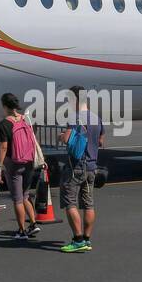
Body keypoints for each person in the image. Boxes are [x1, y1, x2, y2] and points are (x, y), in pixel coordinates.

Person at [59, 85, 104, 253]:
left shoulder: (75, 117)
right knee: (88, 204)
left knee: (70, 202)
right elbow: (100, 141)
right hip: (92, 165)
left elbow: (67, 139)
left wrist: (62, 136)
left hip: (76, 166)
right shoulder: (96, 118)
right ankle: (87, 239)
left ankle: (77, 240)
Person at [0, 93, 42, 241]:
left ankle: (21, 230)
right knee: (26, 195)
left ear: (5, 106)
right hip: (28, 162)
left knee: (17, 199)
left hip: (14, 164)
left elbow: (3, 147)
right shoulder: (26, 119)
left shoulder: (4, 124)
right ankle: (33, 223)